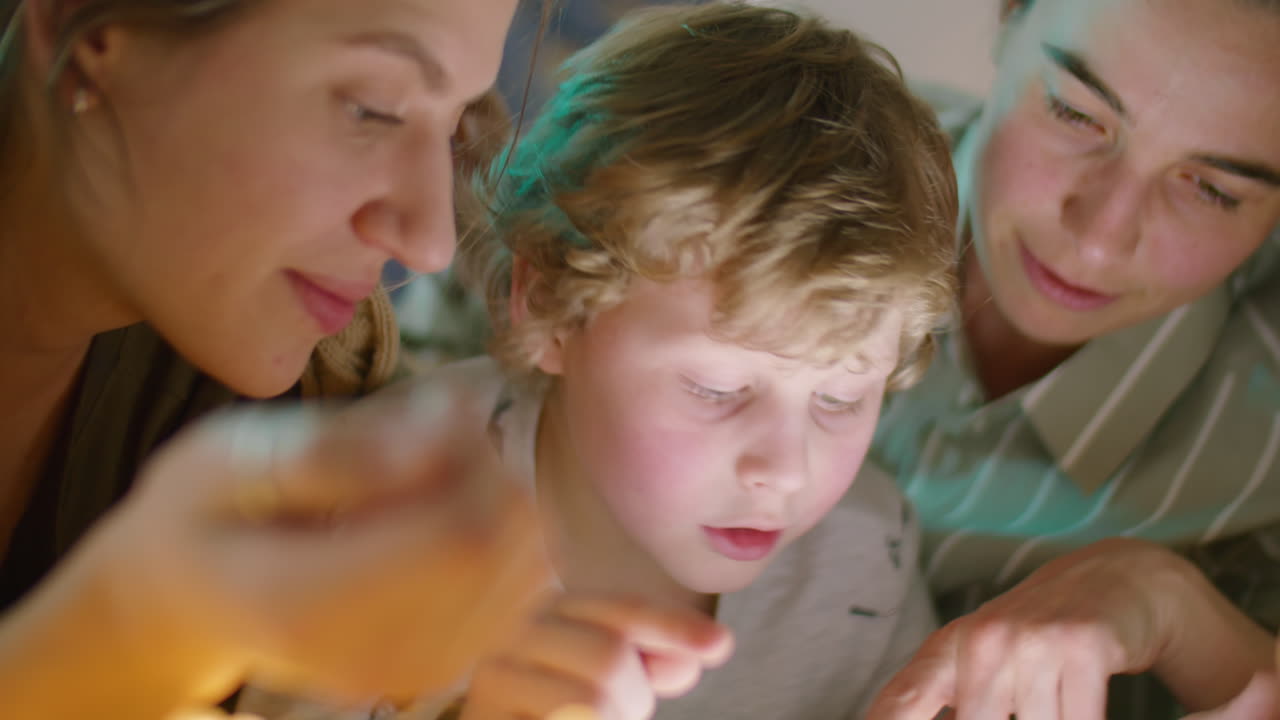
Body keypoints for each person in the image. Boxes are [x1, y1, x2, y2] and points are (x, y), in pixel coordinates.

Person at [0, 1, 729, 717]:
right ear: (81, 26)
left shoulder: (315, 384)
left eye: (454, 130)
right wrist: (138, 632)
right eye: (372, 110)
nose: (430, 241)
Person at [413, 5, 958, 718]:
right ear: (548, 305)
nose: (785, 469)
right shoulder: (400, 495)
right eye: (717, 388)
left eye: (842, 399)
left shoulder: (863, 556)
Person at [856, 0, 1280, 717]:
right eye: (1076, 114)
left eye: (1212, 188)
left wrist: (1172, 607)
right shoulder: (753, 157)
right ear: (1009, 16)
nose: (1097, 241)